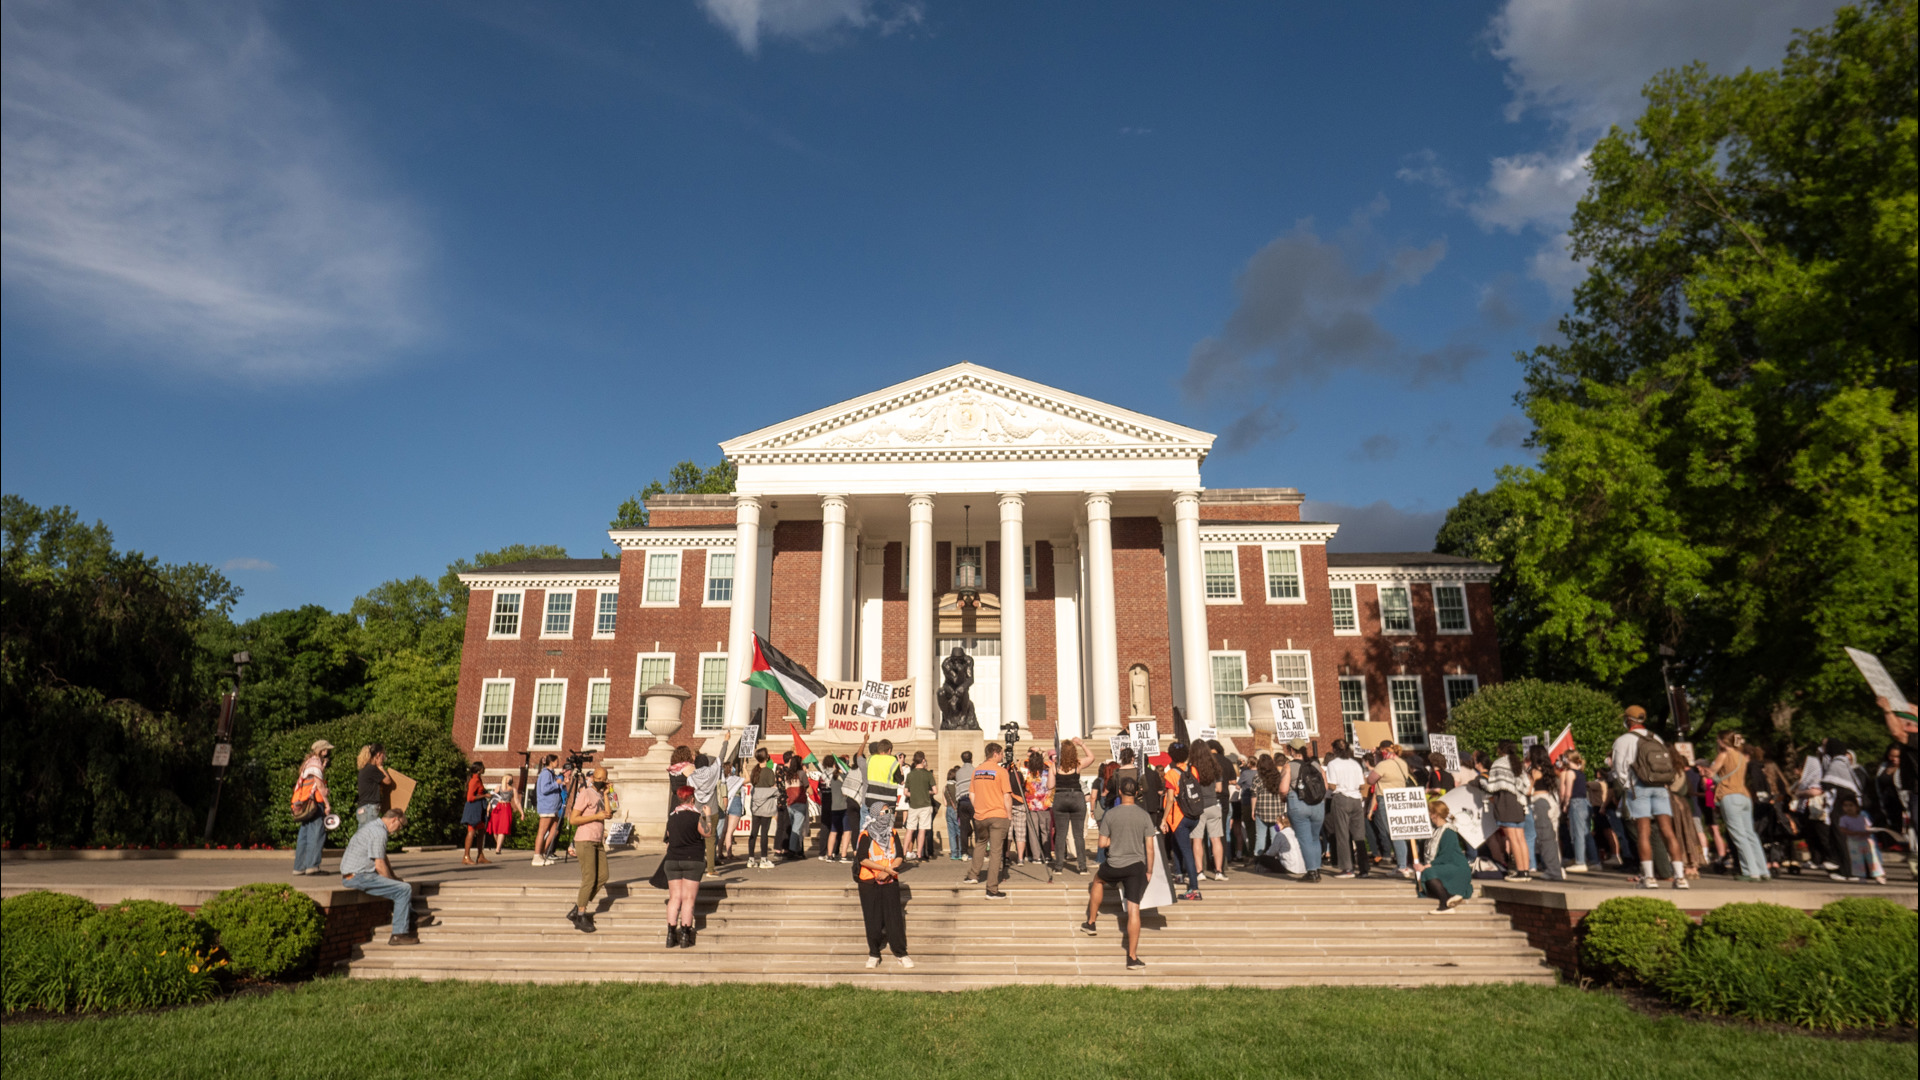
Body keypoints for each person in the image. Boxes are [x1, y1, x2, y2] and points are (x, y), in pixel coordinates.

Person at [1609, 706, 1690, 889]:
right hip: (1660, 787)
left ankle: (1649, 877)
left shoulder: (1623, 740)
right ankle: (1680, 877)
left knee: (1643, 832)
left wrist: (1627, 786)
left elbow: (1619, 768)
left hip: (1639, 788)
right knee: (1667, 831)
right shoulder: (1655, 737)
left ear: (1629, 720)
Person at [1079, 775, 1155, 971]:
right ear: (1137, 793)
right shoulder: (1144, 815)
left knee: (1097, 881)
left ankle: (1091, 922)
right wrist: (1149, 870)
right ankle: (1132, 957)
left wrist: (1116, 840)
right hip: (1136, 866)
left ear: (1120, 792)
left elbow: (1102, 844)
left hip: (1114, 864)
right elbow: (1150, 848)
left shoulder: (1111, 814)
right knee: (1133, 909)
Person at [340, 808, 433, 945]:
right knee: (403, 889)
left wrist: (394, 878)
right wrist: (392, 881)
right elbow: (379, 865)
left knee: (398, 885)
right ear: (394, 819)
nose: (398, 831)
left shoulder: (373, 827)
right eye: (399, 827)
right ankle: (398, 934)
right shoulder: (379, 832)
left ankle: (411, 916)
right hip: (359, 876)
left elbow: (382, 856)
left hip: (354, 874)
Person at [855, 806, 913, 968]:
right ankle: (874, 953)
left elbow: (899, 856)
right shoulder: (866, 834)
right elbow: (862, 859)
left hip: (889, 880)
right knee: (873, 919)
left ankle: (901, 953)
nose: (888, 815)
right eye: (884, 812)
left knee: (894, 918)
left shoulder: (892, 833)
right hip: (869, 883)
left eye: (889, 812)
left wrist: (889, 872)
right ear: (874, 814)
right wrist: (883, 869)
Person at [1706, 732, 1767, 881]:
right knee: (1750, 834)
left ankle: (1750, 871)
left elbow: (1711, 773)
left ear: (1722, 742)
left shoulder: (1724, 754)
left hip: (1729, 795)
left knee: (1738, 835)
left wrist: (1710, 774)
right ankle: (1763, 870)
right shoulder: (1742, 757)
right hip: (1744, 795)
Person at [565, 766, 614, 932]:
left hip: (597, 840)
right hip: (585, 840)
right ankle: (580, 915)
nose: (601, 782)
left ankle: (578, 906)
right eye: (598, 778)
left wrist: (607, 795)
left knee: (603, 876)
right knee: (589, 878)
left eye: (604, 779)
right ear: (593, 778)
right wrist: (596, 816)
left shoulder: (600, 794)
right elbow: (573, 819)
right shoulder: (585, 793)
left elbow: (609, 814)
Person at [964, 742, 1014, 898]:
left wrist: (979, 807)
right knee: (996, 851)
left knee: (980, 843)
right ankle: (992, 888)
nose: (1003, 756)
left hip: (980, 815)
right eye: (1001, 754)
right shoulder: (1001, 771)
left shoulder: (976, 770)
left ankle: (973, 875)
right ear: (995, 754)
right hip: (997, 815)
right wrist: (1009, 814)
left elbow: (971, 794)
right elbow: (1007, 795)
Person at [662, 784, 710, 946]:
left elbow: (668, 836)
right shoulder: (696, 816)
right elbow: (707, 832)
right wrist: (707, 816)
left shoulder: (673, 816)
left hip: (673, 859)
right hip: (693, 859)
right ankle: (684, 935)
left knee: (674, 898)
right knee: (688, 899)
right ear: (692, 798)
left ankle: (670, 934)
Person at [1365, 742, 1417, 878]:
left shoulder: (1383, 765)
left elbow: (1371, 780)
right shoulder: (1402, 762)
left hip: (1386, 800)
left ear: (1382, 751)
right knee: (1401, 832)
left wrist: (1376, 763)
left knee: (1394, 834)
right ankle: (1406, 863)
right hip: (1401, 799)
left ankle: (1402, 866)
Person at [1484, 741, 1531, 881]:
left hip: (1505, 802)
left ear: (1500, 749)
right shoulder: (1517, 763)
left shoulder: (1498, 763)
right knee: (1521, 838)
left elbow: (1492, 786)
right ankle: (1525, 871)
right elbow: (1525, 785)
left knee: (1513, 839)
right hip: (1518, 803)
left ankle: (1520, 872)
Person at [1417, 801, 1473, 914]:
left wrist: (1429, 865)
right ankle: (1450, 896)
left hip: (1456, 866)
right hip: (1446, 864)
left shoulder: (1448, 831)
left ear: (1434, 814)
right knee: (1424, 874)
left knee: (1429, 872)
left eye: (1429, 812)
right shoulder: (1436, 830)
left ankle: (1445, 904)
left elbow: (1446, 855)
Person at [1282, 740, 1326, 882]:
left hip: (1298, 803)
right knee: (1314, 838)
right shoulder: (1316, 765)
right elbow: (1325, 785)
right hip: (1318, 805)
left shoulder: (1289, 766)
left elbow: (1283, 789)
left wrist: (1284, 797)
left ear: (1291, 750)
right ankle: (1317, 868)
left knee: (1304, 839)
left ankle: (1312, 872)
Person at [1323, 740, 1367, 879]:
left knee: (1342, 834)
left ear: (1335, 750)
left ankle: (1347, 868)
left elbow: (1332, 786)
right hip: (1356, 799)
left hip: (1341, 798)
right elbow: (1362, 785)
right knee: (1359, 835)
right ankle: (1364, 868)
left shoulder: (1332, 764)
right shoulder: (1355, 763)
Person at [292, 740, 334, 876]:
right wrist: (327, 804)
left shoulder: (308, 763)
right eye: (327, 750)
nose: (328, 752)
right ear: (323, 750)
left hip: (305, 803)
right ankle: (312, 867)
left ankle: (299, 867)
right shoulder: (316, 764)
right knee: (316, 834)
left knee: (304, 835)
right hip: (315, 803)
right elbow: (320, 786)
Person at [1525, 744, 1565, 881]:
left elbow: (1528, 791)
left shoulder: (1534, 771)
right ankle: (1558, 867)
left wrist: (1531, 781)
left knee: (1545, 838)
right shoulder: (1550, 770)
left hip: (1539, 802)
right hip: (1552, 802)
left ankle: (1553, 870)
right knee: (1553, 838)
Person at [1052, 738, 1091, 874]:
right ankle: (1082, 867)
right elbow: (1091, 757)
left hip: (1060, 797)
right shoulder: (1077, 764)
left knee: (1061, 834)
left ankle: (1058, 867)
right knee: (1078, 834)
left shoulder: (1055, 765)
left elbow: (1050, 785)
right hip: (1076, 797)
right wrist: (1082, 744)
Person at [1833, 795, 1887, 884]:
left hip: (1866, 841)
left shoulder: (1863, 817)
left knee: (1872, 859)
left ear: (1856, 807)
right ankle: (1861, 876)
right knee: (1857, 860)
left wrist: (1868, 831)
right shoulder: (1844, 819)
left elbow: (1868, 827)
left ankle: (1878, 876)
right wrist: (1856, 833)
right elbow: (1843, 830)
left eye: (1851, 805)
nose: (1848, 808)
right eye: (1845, 806)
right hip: (1854, 842)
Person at [1558, 751, 1593, 872]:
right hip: (1584, 802)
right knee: (1584, 833)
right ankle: (1591, 860)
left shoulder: (1569, 773)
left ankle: (1580, 861)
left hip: (1575, 803)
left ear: (1568, 759)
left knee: (1577, 834)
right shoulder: (1581, 773)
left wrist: (1565, 804)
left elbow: (1567, 792)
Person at [1022, 750, 1054, 865]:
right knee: (1045, 831)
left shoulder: (1026, 774)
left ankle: (1036, 856)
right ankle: (1047, 855)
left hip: (1030, 805)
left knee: (1033, 831)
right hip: (1044, 805)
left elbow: (1023, 787)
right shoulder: (1047, 773)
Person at [748, 749, 779, 869]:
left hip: (756, 805)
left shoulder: (755, 771)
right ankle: (763, 859)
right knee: (764, 833)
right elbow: (772, 786)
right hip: (766, 805)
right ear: (767, 757)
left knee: (754, 832)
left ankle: (751, 858)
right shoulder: (769, 772)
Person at [533, 755, 566, 866]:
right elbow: (544, 789)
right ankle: (537, 856)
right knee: (542, 831)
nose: (558, 762)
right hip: (547, 806)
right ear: (551, 762)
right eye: (557, 760)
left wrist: (561, 783)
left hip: (554, 806)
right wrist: (557, 783)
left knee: (554, 830)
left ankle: (543, 853)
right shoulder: (546, 773)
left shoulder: (551, 773)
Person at [904, 751, 936, 861]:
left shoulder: (910, 774)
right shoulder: (928, 774)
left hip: (913, 805)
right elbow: (935, 791)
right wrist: (927, 792)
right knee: (922, 830)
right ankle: (918, 853)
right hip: (925, 805)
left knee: (910, 830)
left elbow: (906, 792)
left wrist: (914, 794)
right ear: (923, 760)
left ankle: (904, 851)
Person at [1252, 753, 1285, 858]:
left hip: (1262, 810)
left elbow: (1254, 795)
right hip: (1277, 811)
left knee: (1260, 836)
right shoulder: (1279, 776)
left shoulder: (1257, 777)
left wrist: (1253, 810)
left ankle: (1258, 858)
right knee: (1275, 836)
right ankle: (1275, 857)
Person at [459, 760, 492, 866]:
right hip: (473, 808)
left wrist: (487, 793)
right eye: (482, 767)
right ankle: (466, 856)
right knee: (471, 831)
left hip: (479, 808)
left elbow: (479, 791)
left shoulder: (478, 779)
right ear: (478, 770)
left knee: (481, 830)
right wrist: (485, 796)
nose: (484, 768)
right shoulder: (474, 780)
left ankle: (480, 855)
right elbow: (470, 797)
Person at [354, 744, 390, 829]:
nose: (383, 758)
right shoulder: (372, 769)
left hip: (363, 807)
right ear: (378, 754)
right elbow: (388, 781)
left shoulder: (365, 768)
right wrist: (380, 767)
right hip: (369, 808)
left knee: (363, 835)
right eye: (383, 755)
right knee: (370, 835)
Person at [485, 772, 519, 856]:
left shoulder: (513, 789)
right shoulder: (498, 787)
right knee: (495, 830)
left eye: (511, 778)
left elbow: (517, 801)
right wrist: (489, 806)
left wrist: (521, 812)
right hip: (498, 807)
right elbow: (493, 797)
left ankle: (498, 848)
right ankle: (499, 845)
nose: (509, 780)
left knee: (502, 829)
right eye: (508, 778)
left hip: (506, 807)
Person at [943, 766, 967, 860]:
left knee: (951, 833)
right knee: (960, 831)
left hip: (948, 810)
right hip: (957, 810)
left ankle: (954, 853)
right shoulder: (957, 787)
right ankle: (961, 852)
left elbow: (944, 803)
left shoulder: (945, 787)